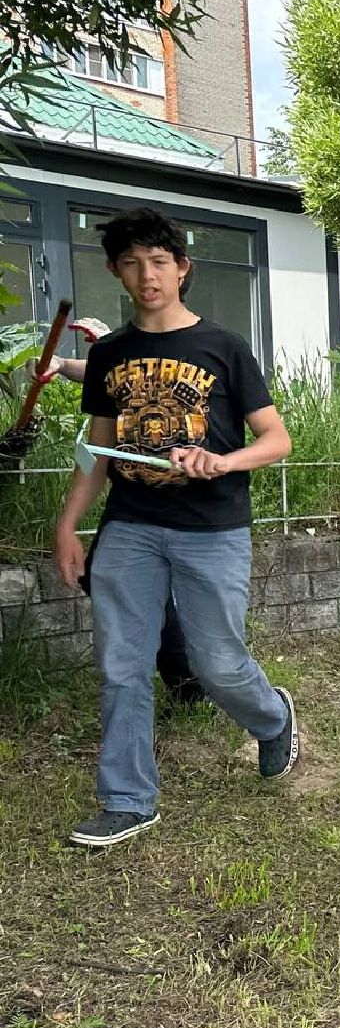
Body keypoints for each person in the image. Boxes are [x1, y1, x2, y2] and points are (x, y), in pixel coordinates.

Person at [52, 207, 299, 848]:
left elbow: (277, 440)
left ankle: (272, 718)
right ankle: (128, 799)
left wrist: (222, 460)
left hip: (211, 528)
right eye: (132, 263)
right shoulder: (109, 355)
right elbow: (100, 451)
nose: (147, 275)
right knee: (121, 665)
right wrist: (69, 526)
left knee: (216, 664)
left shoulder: (222, 346)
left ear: (181, 268)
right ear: (116, 271)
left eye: (159, 261)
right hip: (130, 526)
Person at [30, 318, 203, 708]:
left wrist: (106, 344)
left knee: (145, 590)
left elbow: (134, 370)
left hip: (175, 494)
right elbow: (104, 374)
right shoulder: (119, 359)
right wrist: (59, 363)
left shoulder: (193, 351)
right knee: (112, 579)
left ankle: (189, 682)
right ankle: (184, 681)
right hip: (131, 498)